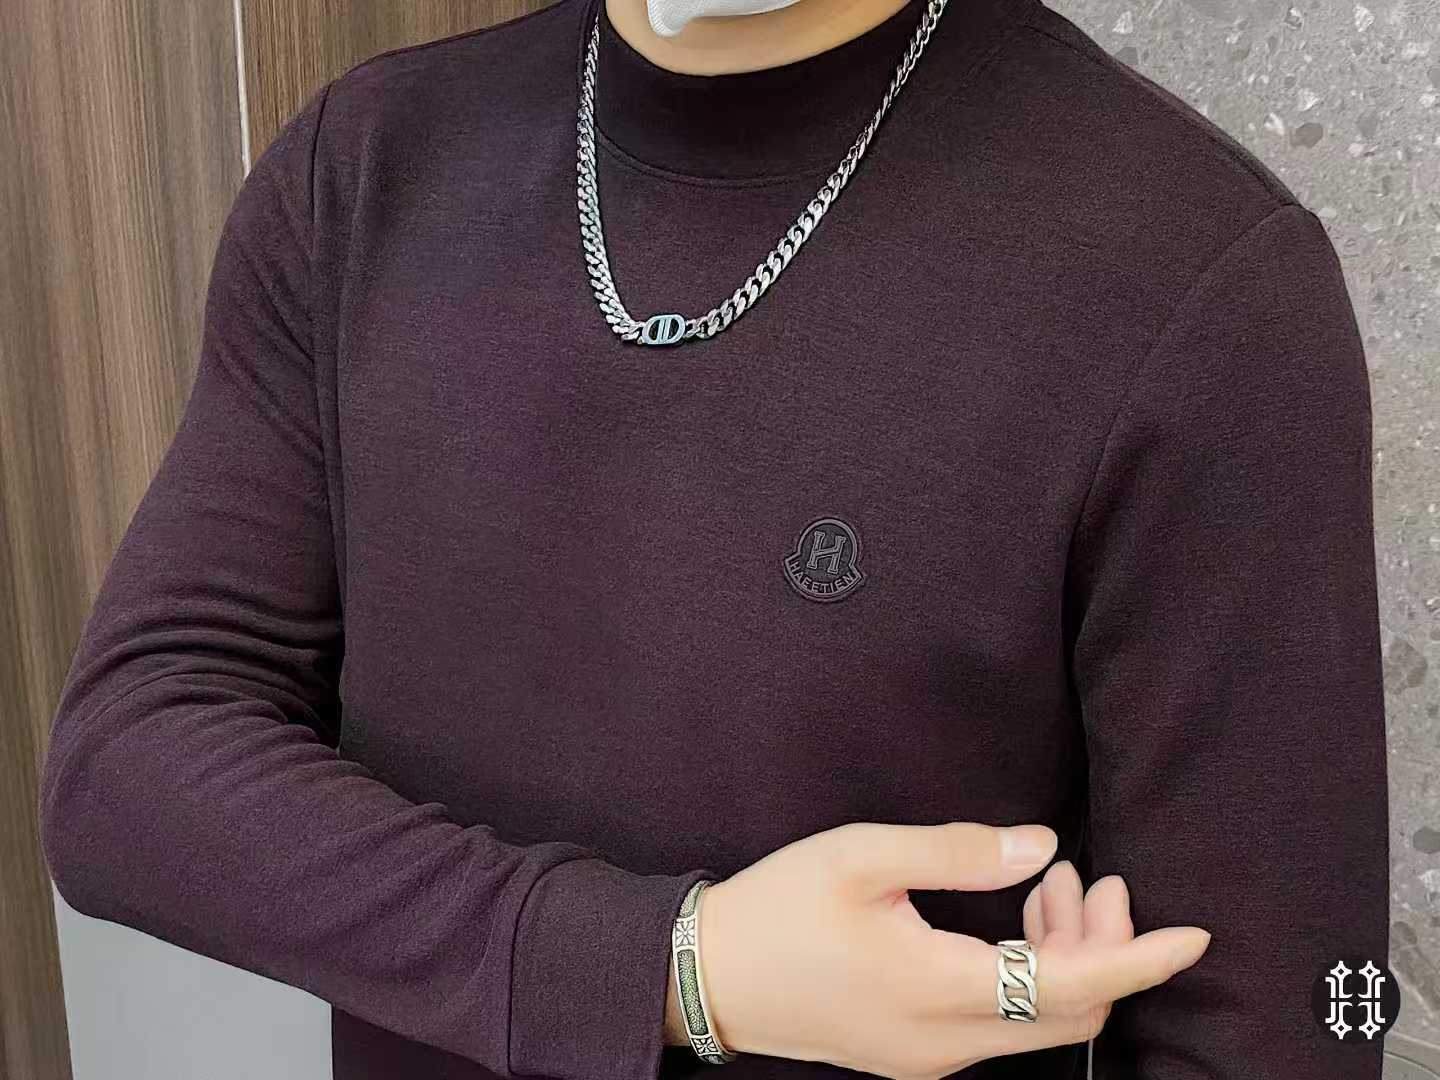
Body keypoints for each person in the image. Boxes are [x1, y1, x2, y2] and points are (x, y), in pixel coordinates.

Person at [38, 0, 1389, 1075]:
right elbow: (127, 764)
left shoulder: (1202, 281)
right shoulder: (362, 170)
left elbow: (1292, 1021)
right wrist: (679, 966)